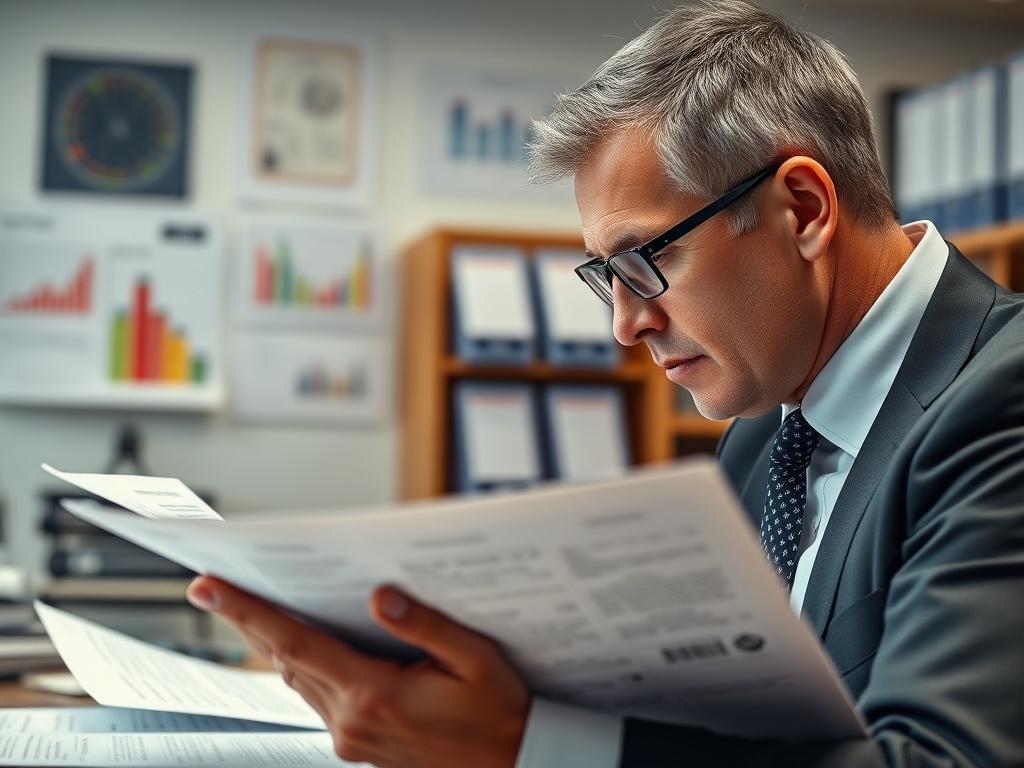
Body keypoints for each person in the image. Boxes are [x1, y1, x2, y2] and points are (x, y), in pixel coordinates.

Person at [186, 2, 1024, 765]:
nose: (627, 323)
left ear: (802, 209)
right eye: (605, 276)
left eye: (645, 261)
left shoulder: (1002, 397)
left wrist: (535, 745)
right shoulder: (764, 437)